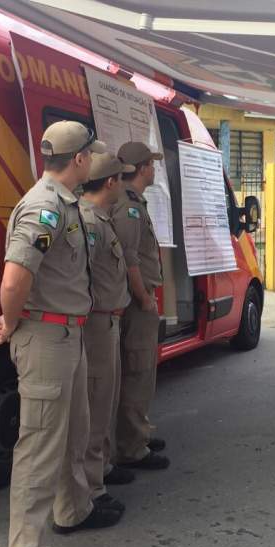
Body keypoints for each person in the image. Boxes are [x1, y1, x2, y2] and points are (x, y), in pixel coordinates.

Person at [0, 121, 119, 547]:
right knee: (39, 450)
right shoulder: (45, 207)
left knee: (72, 434)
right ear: (80, 160)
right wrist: (10, 324)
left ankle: (73, 510)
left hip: (68, 335)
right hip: (46, 338)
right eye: (90, 155)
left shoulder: (65, 203)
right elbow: (13, 280)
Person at [79, 152, 134, 514]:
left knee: (106, 401)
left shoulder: (98, 218)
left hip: (107, 321)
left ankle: (101, 469)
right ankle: (91, 491)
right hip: (96, 324)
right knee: (95, 407)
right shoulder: (88, 222)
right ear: (111, 182)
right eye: (120, 179)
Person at [112, 141, 170, 471]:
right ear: (142, 167)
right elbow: (129, 257)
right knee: (137, 370)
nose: (154, 168)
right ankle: (132, 446)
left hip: (139, 296)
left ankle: (138, 433)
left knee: (141, 369)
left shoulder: (133, 201)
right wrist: (144, 298)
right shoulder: (128, 205)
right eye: (151, 164)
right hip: (136, 299)